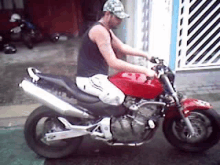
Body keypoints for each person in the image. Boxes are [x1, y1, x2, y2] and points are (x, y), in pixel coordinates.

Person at [76, 0, 157, 106]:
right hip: (89, 79)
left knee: (127, 90)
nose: (120, 21)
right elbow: (113, 62)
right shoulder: (99, 31)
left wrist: (146, 55)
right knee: (117, 97)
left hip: (98, 77)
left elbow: (122, 47)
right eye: (118, 18)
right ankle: (103, 122)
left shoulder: (106, 30)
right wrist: (144, 71)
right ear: (108, 14)